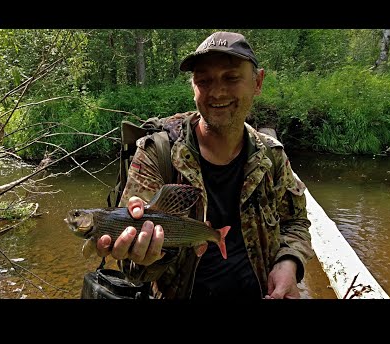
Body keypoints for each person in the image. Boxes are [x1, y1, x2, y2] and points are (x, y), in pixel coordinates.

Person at [96, 31, 314, 299]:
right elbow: (132, 271)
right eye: (204, 80)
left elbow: (295, 222)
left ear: (258, 82)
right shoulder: (157, 153)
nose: (217, 92)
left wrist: (288, 264)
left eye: (232, 78)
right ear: (193, 86)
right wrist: (147, 256)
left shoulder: (272, 155)